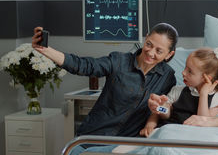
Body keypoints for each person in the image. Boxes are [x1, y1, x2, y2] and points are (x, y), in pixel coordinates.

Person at [31, 23, 178, 137]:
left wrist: (158, 108)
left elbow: (164, 111)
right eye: (149, 44)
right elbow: (83, 65)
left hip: (130, 142)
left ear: (169, 54)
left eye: (159, 51)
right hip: (97, 135)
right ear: (146, 38)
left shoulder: (167, 76)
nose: (150, 53)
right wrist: (46, 50)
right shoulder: (119, 61)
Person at [139, 46, 218, 137]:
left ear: (205, 79)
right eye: (185, 68)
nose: (183, 73)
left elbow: (205, 122)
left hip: (189, 137)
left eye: (190, 71)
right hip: (168, 132)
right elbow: (167, 113)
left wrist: (203, 94)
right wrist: (159, 108)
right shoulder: (178, 90)